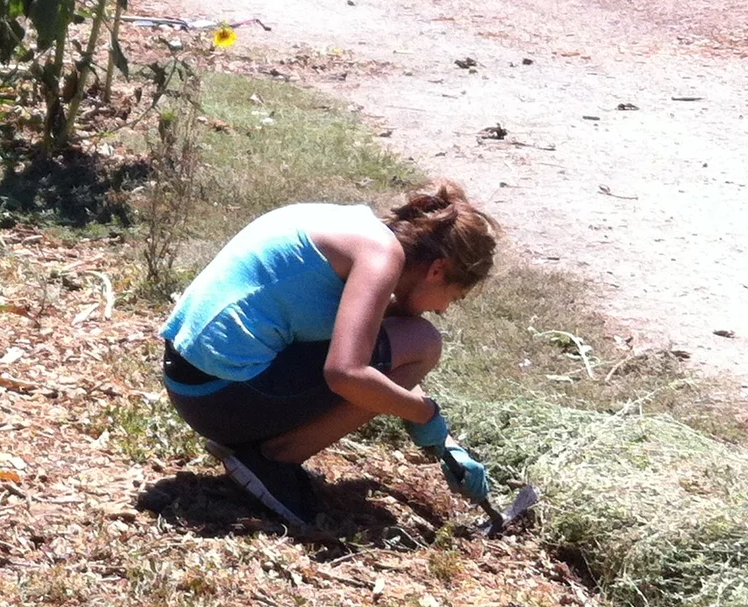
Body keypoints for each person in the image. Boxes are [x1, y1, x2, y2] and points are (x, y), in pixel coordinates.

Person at [159, 180, 498, 529]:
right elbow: (346, 373)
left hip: (192, 384)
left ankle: (262, 446)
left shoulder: (357, 231)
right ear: (437, 270)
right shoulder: (382, 258)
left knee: (405, 339)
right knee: (423, 341)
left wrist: (446, 441)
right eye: (453, 297)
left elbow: (374, 350)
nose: (442, 309)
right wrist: (424, 413)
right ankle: (273, 459)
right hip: (222, 400)